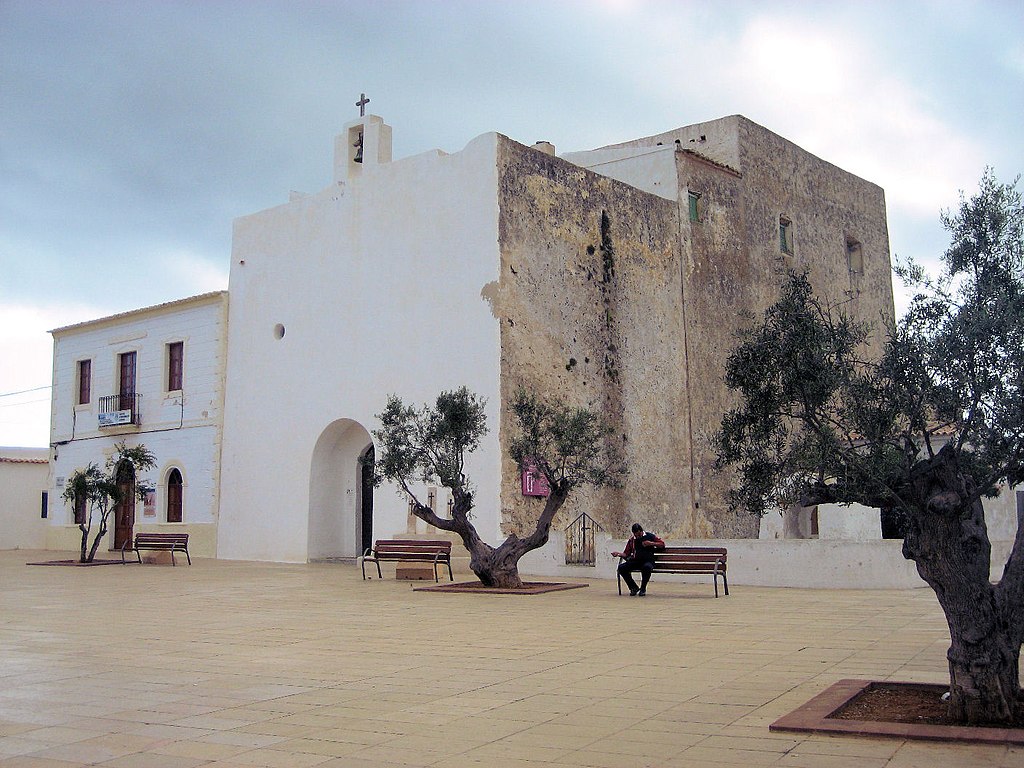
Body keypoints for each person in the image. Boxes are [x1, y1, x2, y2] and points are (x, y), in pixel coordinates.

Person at [612, 523, 665, 596]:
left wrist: (651, 543)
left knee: (646, 567)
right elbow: (626, 553)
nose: (637, 536)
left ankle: (643, 588)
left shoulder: (649, 536)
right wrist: (618, 554)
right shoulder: (632, 540)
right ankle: (633, 587)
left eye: (638, 534)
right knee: (621, 568)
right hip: (636, 561)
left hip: (648, 561)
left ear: (641, 531)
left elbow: (662, 544)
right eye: (635, 534)